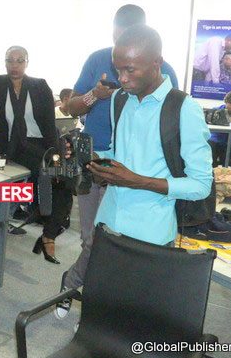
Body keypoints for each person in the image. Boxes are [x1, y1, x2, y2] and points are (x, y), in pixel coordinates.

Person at [57, 4, 179, 316]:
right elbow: (70, 108)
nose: (123, 71)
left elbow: (170, 126)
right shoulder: (98, 59)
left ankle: (86, 297)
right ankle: (82, 294)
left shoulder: (163, 71)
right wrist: (94, 95)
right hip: (94, 161)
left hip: (134, 170)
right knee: (91, 240)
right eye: (117, 40)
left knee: (114, 244)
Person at [88, 24, 212, 245]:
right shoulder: (119, 99)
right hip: (108, 222)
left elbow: (201, 185)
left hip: (151, 234)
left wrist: (138, 181)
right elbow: (117, 154)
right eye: (118, 70)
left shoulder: (184, 108)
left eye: (130, 70)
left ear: (157, 62)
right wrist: (92, 158)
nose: (122, 78)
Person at [0, 47, 72, 258]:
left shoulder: (39, 86)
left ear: (27, 62)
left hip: (37, 144)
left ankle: (6, 221)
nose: (15, 65)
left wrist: (54, 154)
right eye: (10, 60)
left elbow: (49, 124)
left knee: (33, 183)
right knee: (9, 183)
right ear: (4, 62)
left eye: (20, 61)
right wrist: (0, 145)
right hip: (9, 144)